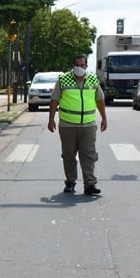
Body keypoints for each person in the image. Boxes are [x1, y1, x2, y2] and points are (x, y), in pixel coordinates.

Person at [47, 54, 108, 196]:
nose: (79, 68)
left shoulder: (93, 79)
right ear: (73, 66)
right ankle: (70, 182)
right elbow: (54, 100)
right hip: (67, 125)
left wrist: (104, 118)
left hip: (88, 125)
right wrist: (51, 119)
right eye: (77, 65)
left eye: (82, 65)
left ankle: (90, 185)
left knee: (88, 155)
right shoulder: (63, 80)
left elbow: (100, 100)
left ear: (86, 66)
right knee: (69, 155)